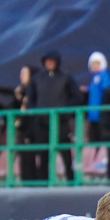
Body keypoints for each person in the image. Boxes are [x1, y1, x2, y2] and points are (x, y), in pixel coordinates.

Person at [24, 51, 81, 181]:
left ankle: (71, 182)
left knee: (66, 155)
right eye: (47, 61)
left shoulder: (66, 77)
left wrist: (64, 109)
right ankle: (42, 184)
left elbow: (77, 97)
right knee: (43, 155)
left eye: (52, 61)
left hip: (60, 122)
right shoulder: (37, 78)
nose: (49, 63)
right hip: (42, 123)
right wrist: (35, 111)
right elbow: (31, 98)